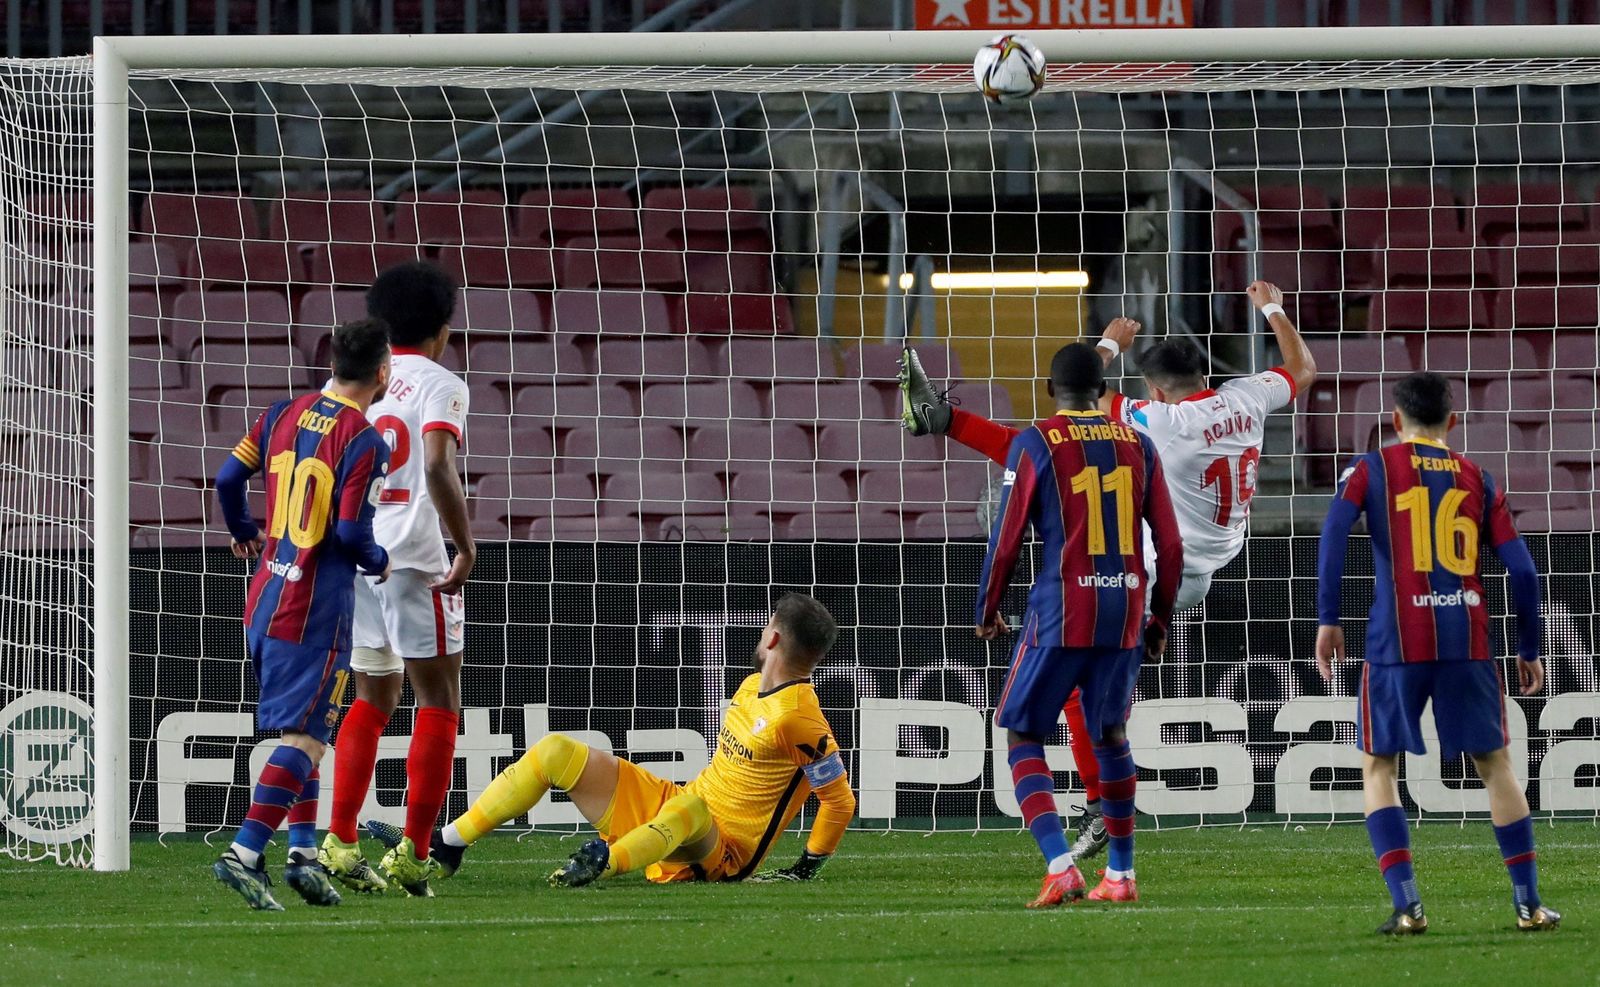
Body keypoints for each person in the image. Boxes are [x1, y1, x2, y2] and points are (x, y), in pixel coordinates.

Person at [902, 281, 1316, 859]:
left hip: (1153, 570)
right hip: (1206, 557)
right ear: (1204, 377)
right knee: (1094, 696)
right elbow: (1302, 365)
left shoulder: (1160, 422)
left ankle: (1102, 805)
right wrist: (1272, 307)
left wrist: (1107, 344)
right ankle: (1111, 823)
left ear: (1154, 388)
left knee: (1075, 682)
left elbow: (1075, 401)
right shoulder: (1248, 397)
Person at [369, 594, 857, 888]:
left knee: (691, 812)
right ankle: (448, 845)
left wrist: (806, 866)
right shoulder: (753, 686)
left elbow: (838, 799)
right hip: (679, 808)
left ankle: (604, 861)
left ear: (772, 637)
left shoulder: (799, 719)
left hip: (720, 853)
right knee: (556, 752)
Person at [1316, 371, 1559, 935]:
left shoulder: (1372, 467)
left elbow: (1332, 533)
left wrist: (1329, 618)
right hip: (1466, 638)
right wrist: (1530, 645)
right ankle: (1528, 905)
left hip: (1395, 642)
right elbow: (1522, 570)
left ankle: (1408, 907)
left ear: (1395, 422)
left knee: (1379, 766)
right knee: (1495, 765)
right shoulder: (1478, 477)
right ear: (1453, 422)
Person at [976, 343, 1182, 908]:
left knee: (1022, 731)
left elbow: (1007, 536)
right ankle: (1120, 874)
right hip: (1125, 611)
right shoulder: (1139, 444)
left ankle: (1061, 865)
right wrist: (1159, 615)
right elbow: (1169, 543)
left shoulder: (1035, 441)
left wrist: (987, 607)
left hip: (1062, 609)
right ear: (1102, 391)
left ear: (1050, 389)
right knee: (1111, 734)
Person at [211, 318, 393, 910]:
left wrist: (243, 531)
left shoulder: (280, 413)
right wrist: (380, 559)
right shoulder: (365, 440)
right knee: (309, 742)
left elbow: (228, 476)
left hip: (263, 599)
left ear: (333, 362)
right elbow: (348, 532)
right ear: (383, 372)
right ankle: (243, 853)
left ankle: (304, 856)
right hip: (312, 613)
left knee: (307, 731)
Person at [319, 261, 476, 897]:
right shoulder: (442, 383)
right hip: (414, 557)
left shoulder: (356, 384)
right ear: (442, 330)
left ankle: (339, 841)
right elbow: (437, 462)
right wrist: (463, 544)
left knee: (372, 697)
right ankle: (413, 853)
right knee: (438, 702)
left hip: (356, 554)